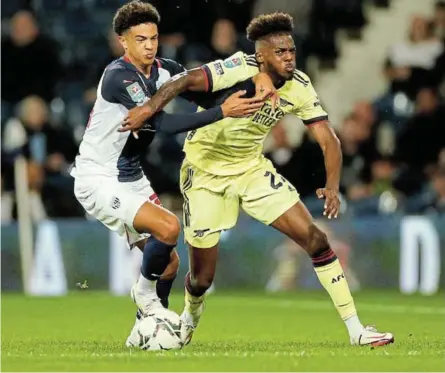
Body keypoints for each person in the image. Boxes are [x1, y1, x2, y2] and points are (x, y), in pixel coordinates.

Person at [121, 12, 394, 347]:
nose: (289, 57)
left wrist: (333, 185)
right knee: (202, 279)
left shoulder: (300, 87)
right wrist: (148, 110)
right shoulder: (236, 68)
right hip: (205, 173)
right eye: (280, 53)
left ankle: (357, 330)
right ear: (262, 55)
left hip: (251, 170)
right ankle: (189, 319)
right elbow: (184, 81)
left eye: (291, 51)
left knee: (316, 239)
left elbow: (329, 140)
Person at [70, 0, 270, 347]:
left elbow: (205, 93)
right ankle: (145, 297)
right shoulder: (119, 76)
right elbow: (161, 123)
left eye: (153, 38)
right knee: (169, 227)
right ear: (124, 42)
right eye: (140, 39)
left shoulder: (166, 70)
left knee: (170, 264)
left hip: (130, 176)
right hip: (97, 177)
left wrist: (254, 87)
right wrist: (224, 112)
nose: (149, 46)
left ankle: (145, 333)